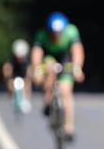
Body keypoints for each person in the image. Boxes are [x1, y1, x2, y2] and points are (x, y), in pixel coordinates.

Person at [32, 12, 85, 141]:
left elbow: (77, 50)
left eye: (59, 33)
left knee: (66, 91)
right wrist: (37, 69)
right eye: (53, 33)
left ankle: (69, 126)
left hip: (65, 58)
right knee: (49, 69)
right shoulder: (42, 35)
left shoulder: (71, 32)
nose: (56, 35)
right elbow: (37, 53)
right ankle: (47, 101)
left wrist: (77, 68)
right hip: (49, 57)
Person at [2, 39, 32, 112]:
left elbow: (29, 73)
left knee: (28, 83)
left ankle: (27, 99)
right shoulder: (11, 61)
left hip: (24, 77)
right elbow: (7, 70)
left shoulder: (27, 62)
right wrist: (8, 77)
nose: (20, 59)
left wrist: (28, 77)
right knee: (10, 83)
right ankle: (11, 96)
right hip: (14, 77)